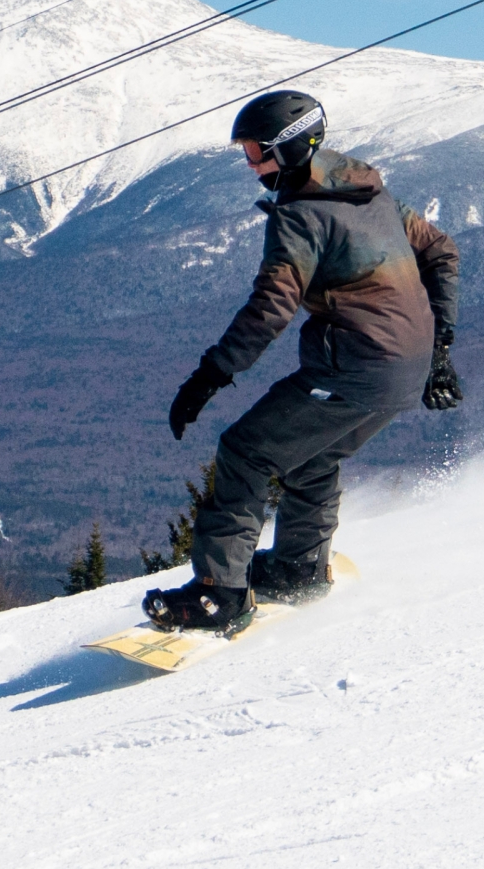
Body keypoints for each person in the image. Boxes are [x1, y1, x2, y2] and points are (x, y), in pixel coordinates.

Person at [143, 89, 462, 635]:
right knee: (311, 456)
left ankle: (218, 595)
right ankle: (297, 568)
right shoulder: (371, 194)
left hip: (354, 369)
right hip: (403, 372)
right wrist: (439, 349)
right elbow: (441, 252)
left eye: (256, 152)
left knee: (244, 452)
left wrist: (211, 374)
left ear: (291, 149)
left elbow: (271, 306)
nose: (249, 165)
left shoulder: (300, 216)